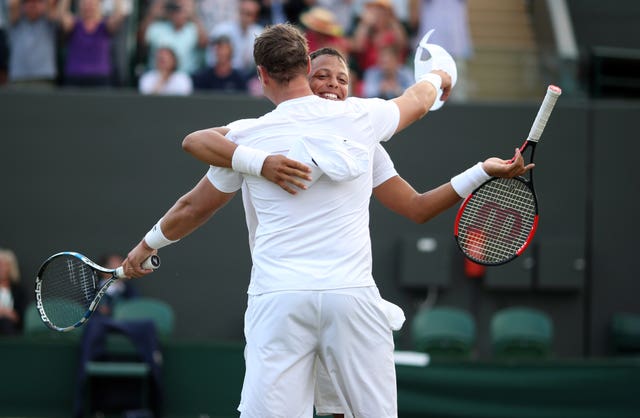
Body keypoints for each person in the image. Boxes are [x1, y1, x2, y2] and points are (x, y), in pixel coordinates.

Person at [121, 24, 530, 417]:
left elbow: (193, 200)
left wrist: (146, 247)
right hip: (349, 300)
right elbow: (420, 99)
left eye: (342, 77)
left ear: (261, 76)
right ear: (305, 68)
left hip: (279, 300)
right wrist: (441, 74)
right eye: (325, 75)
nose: (334, 84)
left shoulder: (247, 135)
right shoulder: (361, 120)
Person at [57, 0, 126, 87]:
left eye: (91, 4)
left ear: (98, 6)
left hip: (101, 79)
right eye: (85, 4)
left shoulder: (104, 26)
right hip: (74, 78)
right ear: (80, 6)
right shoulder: (74, 25)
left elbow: (120, 15)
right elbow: (61, 15)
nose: (88, 7)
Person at [139, 0, 208, 75]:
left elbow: (204, 44)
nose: (177, 14)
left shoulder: (193, 29)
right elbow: (140, 40)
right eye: (174, 10)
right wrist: (153, 13)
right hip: (158, 76)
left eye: (179, 9)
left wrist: (192, 14)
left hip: (186, 77)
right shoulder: (158, 27)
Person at [6, 0, 59, 86]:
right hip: (18, 78)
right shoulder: (15, 22)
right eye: (28, 2)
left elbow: (51, 3)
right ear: (22, 6)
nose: (33, 5)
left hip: (43, 78)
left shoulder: (49, 22)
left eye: (37, 2)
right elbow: (13, 3)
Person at [208, 0, 263, 79]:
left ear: (255, 17)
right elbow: (211, 59)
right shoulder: (221, 30)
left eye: (249, 14)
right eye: (242, 12)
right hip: (222, 75)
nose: (244, 17)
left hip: (248, 78)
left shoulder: (260, 35)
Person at [95, 252, 140, 317]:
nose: (121, 269)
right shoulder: (93, 289)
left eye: (122, 266)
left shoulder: (130, 290)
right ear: (104, 269)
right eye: (115, 266)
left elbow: (135, 308)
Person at [0, 248, 26, 336]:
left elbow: (20, 317)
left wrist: (6, 314)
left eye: (5, 265)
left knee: (6, 323)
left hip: (11, 330)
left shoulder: (19, 291)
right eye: (0, 264)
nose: (2, 268)